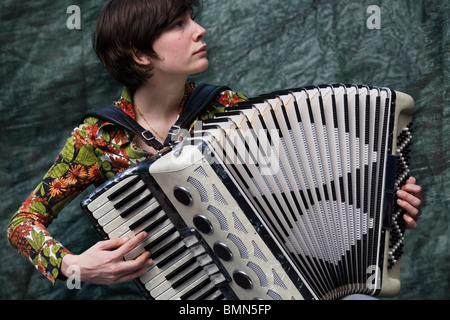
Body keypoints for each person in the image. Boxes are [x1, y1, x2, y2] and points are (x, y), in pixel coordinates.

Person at [7, 0, 423, 294]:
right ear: (138, 53)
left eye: (192, 18)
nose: (199, 29)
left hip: (262, 287)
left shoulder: (227, 109)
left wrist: (380, 196)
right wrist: (72, 264)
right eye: (177, 25)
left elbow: (302, 188)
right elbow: (23, 222)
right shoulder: (97, 137)